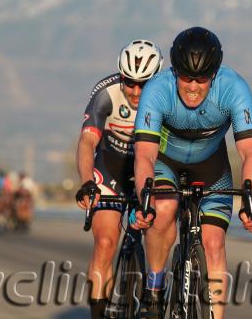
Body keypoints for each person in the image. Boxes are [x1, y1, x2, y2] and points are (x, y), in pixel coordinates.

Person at [131, 27, 252, 319]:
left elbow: (250, 152)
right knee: (163, 208)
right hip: (165, 162)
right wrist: (145, 200)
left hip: (211, 165)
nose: (193, 86)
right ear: (174, 71)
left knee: (214, 243)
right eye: (186, 77)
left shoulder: (234, 87)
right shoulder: (157, 89)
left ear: (214, 75)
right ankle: (154, 290)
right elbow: (144, 154)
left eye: (202, 78)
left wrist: (250, 202)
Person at [75, 39, 164, 318]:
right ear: (121, 77)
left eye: (144, 83)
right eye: (130, 82)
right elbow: (87, 142)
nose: (136, 91)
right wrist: (87, 182)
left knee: (162, 224)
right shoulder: (107, 93)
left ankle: (155, 292)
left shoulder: (167, 94)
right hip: (110, 168)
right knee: (105, 242)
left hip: (149, 170)